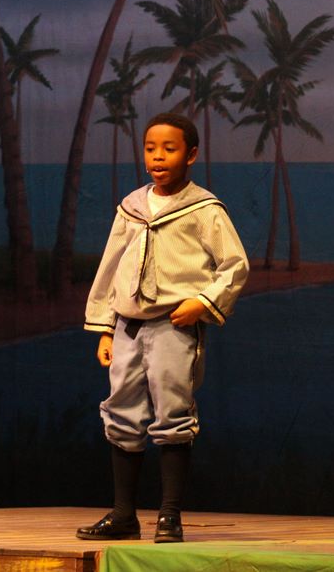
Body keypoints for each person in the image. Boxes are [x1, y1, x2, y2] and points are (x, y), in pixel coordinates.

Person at [76, 113, 249, 543]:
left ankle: (169, 516)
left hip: (173, 325)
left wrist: (202, 302)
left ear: (190, 155)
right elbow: (111, 266)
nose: (158, 157)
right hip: (128, 326)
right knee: (121, 412)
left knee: (172, 413)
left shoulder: (203, 209)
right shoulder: (132, 207)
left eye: (169, 149)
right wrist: (105, 326)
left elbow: (234, 265)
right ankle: (124, 515)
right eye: (151, 148)